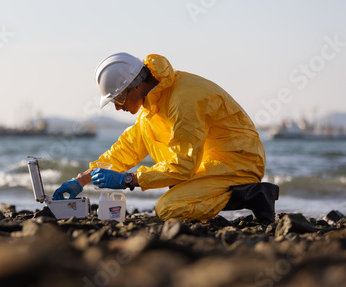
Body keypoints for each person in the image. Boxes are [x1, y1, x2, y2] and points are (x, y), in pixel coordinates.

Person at [53, 53, 278, 223]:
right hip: (210, 163)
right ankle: (206, 194)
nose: (118, 108)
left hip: (237, 163)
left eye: (119, 99)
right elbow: (126, 149)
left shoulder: (184, 101)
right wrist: (82, 179)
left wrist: (129, 180)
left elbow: (183, 165)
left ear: (137, 86)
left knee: (168, 208)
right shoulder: (153, 108)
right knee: (168, 190)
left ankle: (254, 195)